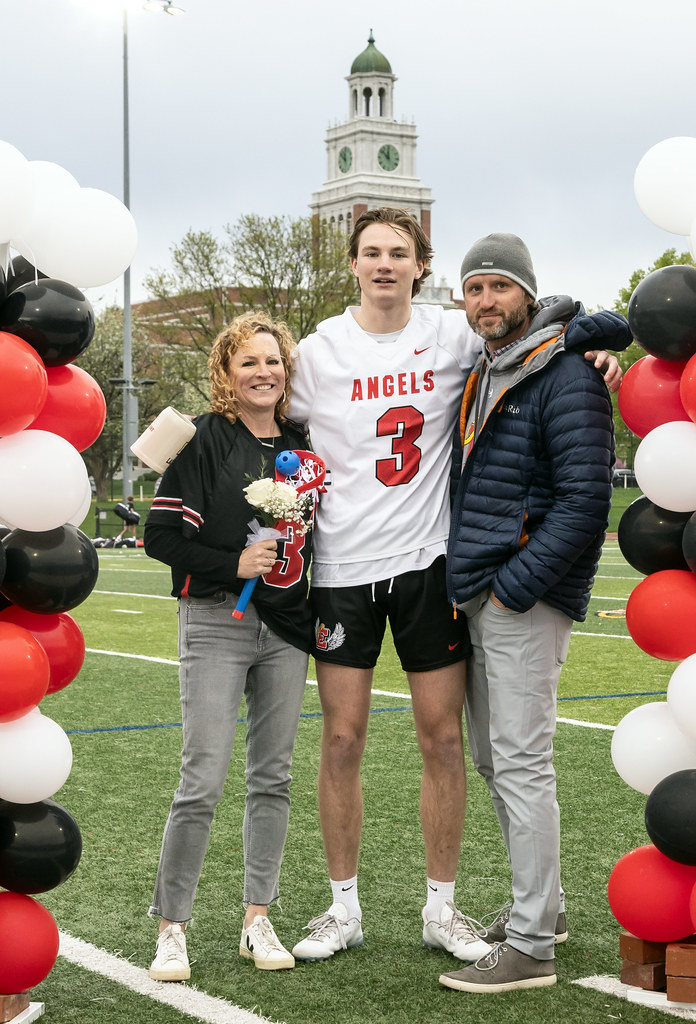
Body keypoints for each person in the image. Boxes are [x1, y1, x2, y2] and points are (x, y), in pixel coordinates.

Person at [287, 208, 628, 964]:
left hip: (430, 564)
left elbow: (549, 324)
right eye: (370, 252)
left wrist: (594, 346)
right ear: (352, 263)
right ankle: (343, 908)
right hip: (342, 567)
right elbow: (262, 411)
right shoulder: (318, 350)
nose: (383, 264)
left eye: (398, 253)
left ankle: (445, 909)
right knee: (344, 739)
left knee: (447, 740)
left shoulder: (451, 333)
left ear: (418, 265)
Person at [439, 234, 617, 994]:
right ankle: (542, 909)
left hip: (521, 596)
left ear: (528, 293)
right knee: (494, 758)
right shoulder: (489, 367)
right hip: (481, 589)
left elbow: (586, 501)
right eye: (474, 288)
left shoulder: (566, 372)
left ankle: (533, 946)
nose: (486, 301)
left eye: (499, 287)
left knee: (519, 761)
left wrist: (516, 587)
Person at [144, 311, 314, 980]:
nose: (262, 372)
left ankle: (257, 917)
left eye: (272, 361)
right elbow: (160, 538)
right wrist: (232, 564)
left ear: (286, 370)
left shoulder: (305, 442)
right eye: (248, 362)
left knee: (273, 777)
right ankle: (172, 927)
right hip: (217, 620)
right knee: (202, 779)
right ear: (225, 372)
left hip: (288, 628)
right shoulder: (201, 439)